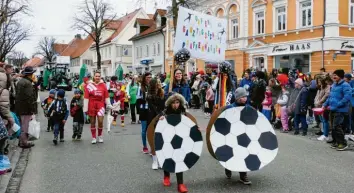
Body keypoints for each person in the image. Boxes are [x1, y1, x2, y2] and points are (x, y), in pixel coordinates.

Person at [159, 93, 191, 193]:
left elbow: (188, 124)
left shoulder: (183, 112)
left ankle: (180, 184)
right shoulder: (165, 112)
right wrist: (161, 120)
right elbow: (157, 126)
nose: (175, 105)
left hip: (179, 139)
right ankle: (166, 176)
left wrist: (195, 130)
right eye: (173, 102)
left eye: (177, 102)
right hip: (167, 140)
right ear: (170, 103)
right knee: (167, 158)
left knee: (179, 159)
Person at [224, 87, 251, 185]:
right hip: (231, 135)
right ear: (237, 97)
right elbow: (224, 122)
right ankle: (228, 167)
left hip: (243, 136)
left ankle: (243, 175)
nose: (245, 99)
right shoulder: (230, 108)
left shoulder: (248, 108)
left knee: (243, 154)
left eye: (246, 97)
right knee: (230, 153)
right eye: (243, 97)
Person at [323, 69, 351, 151]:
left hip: (341, 110)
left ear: (341, 76)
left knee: (337, 126)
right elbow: (330, 97)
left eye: (336, 75)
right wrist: (325, 104)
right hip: (332, 109)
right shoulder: (334, 85)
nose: (334, 77)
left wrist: (337, 105)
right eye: (333, 75)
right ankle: (336, 142)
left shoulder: (345, 85)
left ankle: (342, 143)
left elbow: (347, 97)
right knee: (333, 127)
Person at [84, 71, 112, 144]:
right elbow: (86, 97)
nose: (97, 77)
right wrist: (85, 108)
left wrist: (108, 104)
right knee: (92, 122)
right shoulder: (89, 85)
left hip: (100, 105)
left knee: (100, 121)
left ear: (100, 77)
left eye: (99, 76)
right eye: (96, 76)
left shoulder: (103, 85)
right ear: (94, 77)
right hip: (91, 105)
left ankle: (100, 135)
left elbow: (106, 96)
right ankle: (93, 137)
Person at [15, 66, 36, 148]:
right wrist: (33, 109)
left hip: (20, 107)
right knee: (25, 126)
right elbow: (29, 98)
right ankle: (24, 143)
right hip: (25, 108)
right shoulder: (28, 83)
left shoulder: (21, 81)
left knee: (21, 125)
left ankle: (21, 141)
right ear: (30, 75)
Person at [147, 78, 165, 170]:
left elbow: (164, 106)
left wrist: (163, 114)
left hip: (162, 118)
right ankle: (154, 160)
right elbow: (153, 108)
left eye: (159, 82)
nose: (159, 84)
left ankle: (161, 160)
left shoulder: (162, 93)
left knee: (162, 140)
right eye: (157, 82)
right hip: (153, 118)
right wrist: (159, 115)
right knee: (153, 140)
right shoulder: (149, 95)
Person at [138, 72, 152, 153]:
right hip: (144, 110)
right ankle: (144, 146)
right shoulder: (141, 88)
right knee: (144, 130)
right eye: (147, 77)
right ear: (144, 78)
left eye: (150, 77)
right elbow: (138, 100)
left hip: (151, 111)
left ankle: (151, 147)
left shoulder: (153, 87)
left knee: (151, 129)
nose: (149, 79)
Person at [314, 77, 330, 141]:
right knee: (321, 120)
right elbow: (317, 96)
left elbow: (326, 95)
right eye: (318, 82)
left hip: (323, 105)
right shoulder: (319, 88)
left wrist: (320, 102)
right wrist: (315, 102)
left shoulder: (327, 87)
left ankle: (325, 134)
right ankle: (323, 133)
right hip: (318, 105)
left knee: (324, 120)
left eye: (320, 81)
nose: (319, 83)